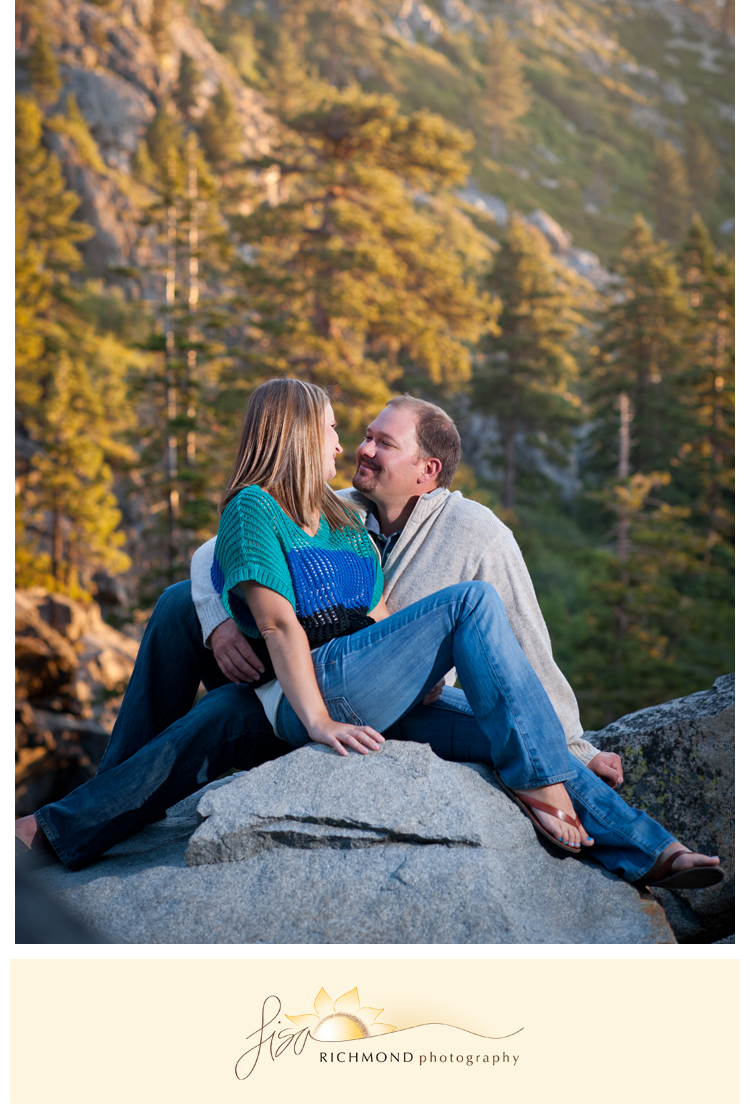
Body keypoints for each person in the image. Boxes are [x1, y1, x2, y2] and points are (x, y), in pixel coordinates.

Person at [17, 381, 723, 892]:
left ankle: (650, 851)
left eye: (381, 441)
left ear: (427, 471)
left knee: (510, 728)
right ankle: (82, 813)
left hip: (389, 688)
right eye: (348, 432)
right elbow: (230, 567)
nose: (356, 446)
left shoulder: (462, 531)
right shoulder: (314, 506)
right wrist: (218, 622)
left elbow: (524, 651)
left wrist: (574, 743)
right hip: (315, 688)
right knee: (180, 610)